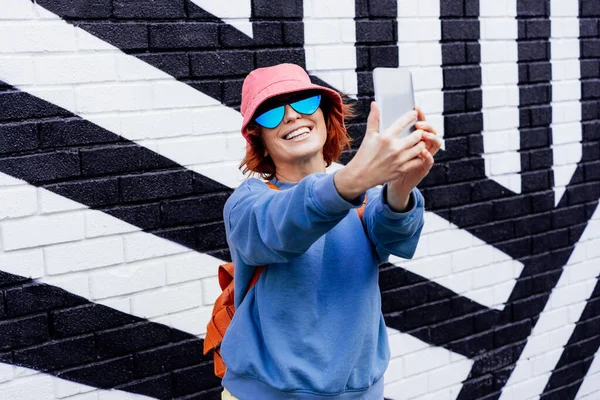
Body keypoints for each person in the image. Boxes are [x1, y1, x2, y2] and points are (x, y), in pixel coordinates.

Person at [220, 63, 442, 400]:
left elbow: (396, 238)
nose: (292, 116)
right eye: (271, 113)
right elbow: (281, 225)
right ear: (259, 142)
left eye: (305, 103)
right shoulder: (247, 203)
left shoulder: (365, 195)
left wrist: (400, 188)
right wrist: (353, 179)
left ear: (327, 120)